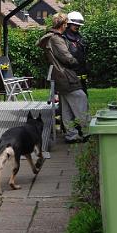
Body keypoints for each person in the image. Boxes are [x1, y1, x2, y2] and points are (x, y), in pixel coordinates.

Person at [37, 13, 89, 143]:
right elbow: (67, 58)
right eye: (66, 24)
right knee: (81, 100)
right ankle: (88, 132)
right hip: (66, 76)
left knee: (66, 108)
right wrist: (77, 62)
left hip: (60, 76)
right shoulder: (56, 39)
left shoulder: (51, 37)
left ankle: (71, 135)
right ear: (64, 24)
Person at [63, 11, 88, 94]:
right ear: (69, 24)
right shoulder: (63, 38)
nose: (77, 27)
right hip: (69, 76)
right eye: (75, 24)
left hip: (82, 75)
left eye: (78, 25)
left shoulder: (80, 38)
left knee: (83, 97)